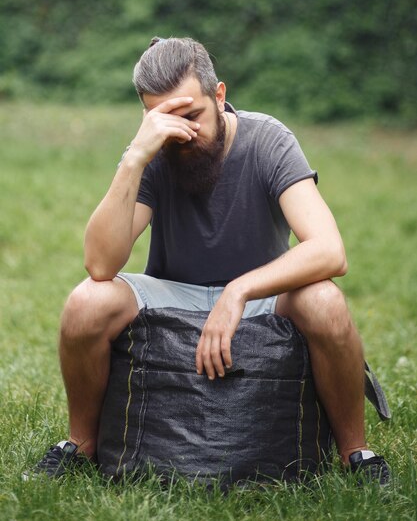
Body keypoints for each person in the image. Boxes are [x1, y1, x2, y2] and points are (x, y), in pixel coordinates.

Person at [24, 36, 389, 485]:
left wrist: (239, 290)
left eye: (193, 115)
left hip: (262, 298)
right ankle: (80, 445)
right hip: (174, 294)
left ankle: (357, 452)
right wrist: (136, 156)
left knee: (327, 302)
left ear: (219, 95)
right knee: (86, 303)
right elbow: (100, 264)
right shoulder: (153, 152)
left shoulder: (267, 140)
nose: (183, 133)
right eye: (164, 119)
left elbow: (330, 250)